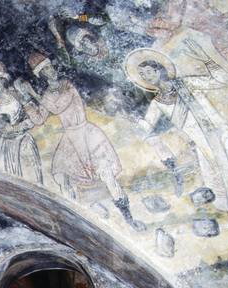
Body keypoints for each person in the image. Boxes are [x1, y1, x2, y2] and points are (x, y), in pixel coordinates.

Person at [125, 48, 228, 229]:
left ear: (159, 69)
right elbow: (146, 127)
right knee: (220, 183)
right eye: (142, 75)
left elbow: (224, 80)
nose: (146, 77)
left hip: (222, 133)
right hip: (204, 145)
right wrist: (134, 118)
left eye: (149, 71)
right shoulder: (157, 103)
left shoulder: (187, 82)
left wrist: (206, 60)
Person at [16, 53, 145, 230]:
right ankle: (76, 218)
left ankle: (128, 218)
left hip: (86, 133)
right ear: (41, 75)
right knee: (61, 175)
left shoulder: (66, 85)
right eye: (44, 71)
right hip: (70, 139)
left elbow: (58, 106)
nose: (50, 71)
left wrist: (33, 94)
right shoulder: (46, 95)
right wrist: (25, 99)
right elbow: (39, 119)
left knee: (106, 173)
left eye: (49, 67)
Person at [0, 61, 43, 184]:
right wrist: (0, 128)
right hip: (6, 147)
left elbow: (33, 118)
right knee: (8, 181)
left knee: (30, 180)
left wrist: (18, 127)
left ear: (4, 80)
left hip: (23, 143)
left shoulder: (17, 96)